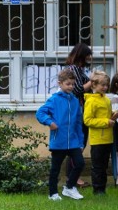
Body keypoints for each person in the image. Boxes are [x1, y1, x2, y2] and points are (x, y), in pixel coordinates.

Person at [36, 69, 85, 201]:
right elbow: (40, 113)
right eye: (68, 84)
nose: (71, 87)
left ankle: (69, 188)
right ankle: (53, 194)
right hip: (59, 141)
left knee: (80, 163)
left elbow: (79, 123)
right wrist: (50, 122)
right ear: (60, 83)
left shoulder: (75, 101)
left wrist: (81, 142)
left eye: (73, 84)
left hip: (74, 141)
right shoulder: (54, 100)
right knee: (55, 169)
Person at [62, 42, 93, 187]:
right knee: (77, 144)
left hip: (82, 110)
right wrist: (92, 81)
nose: (90, 58)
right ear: (82, 55)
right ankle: (72, 178)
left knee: (80, 143)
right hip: (76, 111)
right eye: (88, 55)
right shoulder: (72, 69)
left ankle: (74, 177)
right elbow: (78, 89)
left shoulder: (80, 70)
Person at [83, 71, 118, 195]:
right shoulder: (91, 101)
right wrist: (105, 121)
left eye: (106, 85)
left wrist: (114, 115)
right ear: (93, 85)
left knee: (104, 166)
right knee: (97, 166)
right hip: (97, 138)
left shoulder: (106, 100)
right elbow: (87, 120)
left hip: (108, 137)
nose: (105, 87)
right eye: (102, 85)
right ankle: (97, 189)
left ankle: (102, 188)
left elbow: (106, 116)